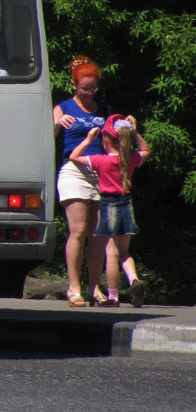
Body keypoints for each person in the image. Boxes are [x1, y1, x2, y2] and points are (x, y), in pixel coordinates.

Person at [70, 115, 151, 307]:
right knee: (124, 251)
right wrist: (135, 132)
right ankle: (133, 279)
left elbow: (74, 157)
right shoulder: (130, 159)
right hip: (126, 203)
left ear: (105, 140)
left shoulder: (101, 161)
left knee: (111, 253)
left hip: (108, 204)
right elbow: (146, 150)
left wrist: (88, 140)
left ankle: (113, 296)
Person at [53, 55, 111, 307]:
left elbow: (112, 141)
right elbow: (50, 134)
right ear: (74, 85)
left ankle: (95, 287)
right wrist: (56, 121)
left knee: (97, 234)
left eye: (92, 88)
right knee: (77, 230)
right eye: (84, 88)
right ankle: (74, 287)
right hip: (74, 170)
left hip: (100, 171)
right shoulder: (63, 107)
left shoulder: (103, 109)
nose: (88, 93)